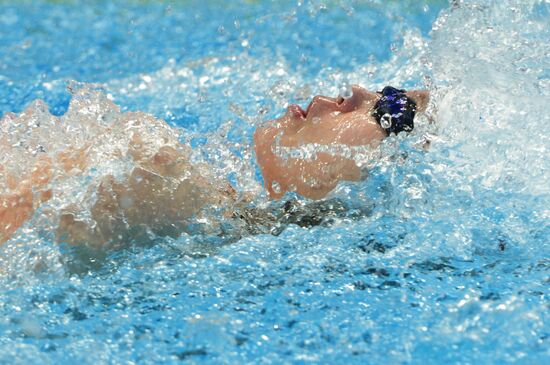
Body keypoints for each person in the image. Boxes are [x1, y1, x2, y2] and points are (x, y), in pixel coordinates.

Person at [0, 85, 429, 248]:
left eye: (387, 110)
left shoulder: (166, 173)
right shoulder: (212, 214)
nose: (352, 91)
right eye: (383, 90)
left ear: (340, 176)